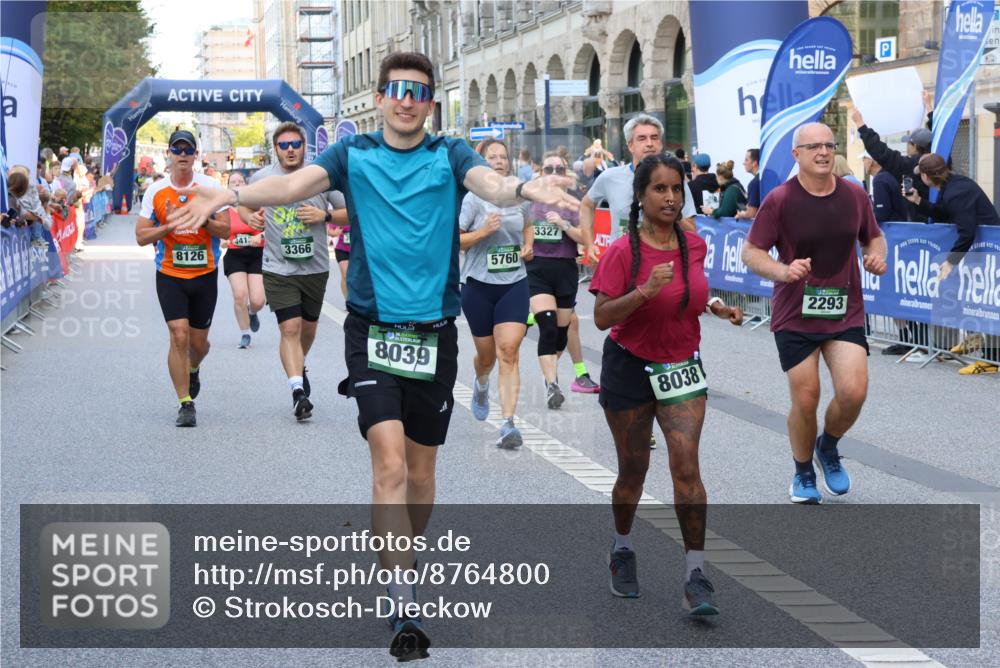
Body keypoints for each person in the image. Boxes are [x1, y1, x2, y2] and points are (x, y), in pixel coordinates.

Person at [167, 51, 577, 661]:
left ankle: (404, 558)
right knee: (386, 465)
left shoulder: (450, 153)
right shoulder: (352, 154)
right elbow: (291, 185)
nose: (407, 99)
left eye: (418, 90)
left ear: (430, 103)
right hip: (372, 332)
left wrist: (521, 186)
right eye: (396, 89)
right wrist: (230, 193)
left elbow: (490, 185)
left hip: (435, 332)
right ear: (381, 98)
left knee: (420, 474)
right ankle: (402, 595)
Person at [591, 154, 744, 614]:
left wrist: (715, 305)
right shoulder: (622, 252)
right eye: (660, 189)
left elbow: (694, 289)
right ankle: (621, 548)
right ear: (641, 196)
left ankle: (696, 574)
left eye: (677, 189)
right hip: (629, 367)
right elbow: (600, 317)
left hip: (680, 366)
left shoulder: (692, 244)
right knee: (633, 473)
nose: (671, 197)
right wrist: (643, 293)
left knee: (686, 468)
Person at [742, 123, 887, 504]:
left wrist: (876, 256)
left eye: (829, 145)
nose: (823, 152)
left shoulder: (855, 195)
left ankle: (828, 447)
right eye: (813, 147)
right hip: (795, 313)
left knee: (854, 392)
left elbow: (874, 236)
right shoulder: (780, 199)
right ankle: (803, 471)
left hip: (844, 310)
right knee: (806, 398)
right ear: (797, 155)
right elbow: (752, 252)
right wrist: (783, 271)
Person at [242, 122, 346, 422]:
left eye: (295, 144)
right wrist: (253, 220)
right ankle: (298, 391)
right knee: (290, 328)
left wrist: (324, 214)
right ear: (275, 150)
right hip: (278, 267)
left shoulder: (321, 176)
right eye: (283, 145)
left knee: (308, 330)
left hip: (314, 269)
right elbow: (243, 206)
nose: (290, 150)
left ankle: (299, 366)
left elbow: (351, 213)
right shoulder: (264, 178)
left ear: (304, 146)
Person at [135, 130, 230, 427]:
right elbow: (140, 236)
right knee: (179, 334)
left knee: (199, 345)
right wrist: (168, 226)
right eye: (178, 149)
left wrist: (202, 218)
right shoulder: (156, 191)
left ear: (196, 155)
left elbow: (226, 231)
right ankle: (185, 403)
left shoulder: (211, 187)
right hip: (170, 274)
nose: (183, 154)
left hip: (204, 273)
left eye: (188, 149)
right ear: (170, 154)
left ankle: (193, 369)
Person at [460, 138, 533, 447]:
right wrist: (483, 232)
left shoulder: (520, 194)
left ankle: (507, 424)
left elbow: (528, 224)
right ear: (482, 162)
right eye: (493, 157)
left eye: (503, 157)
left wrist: (528, 244)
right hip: (477, 285)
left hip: (514, 283)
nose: (500, 161)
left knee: (509, 351)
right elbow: (457, 241)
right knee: (487, 356)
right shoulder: (473, 199)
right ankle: (480, 381)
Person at [905, 152, 1000, 374]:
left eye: (922, 175)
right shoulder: (952, 186)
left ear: (928, 176)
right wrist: (918, 201)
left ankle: (991, 360)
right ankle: (975, 338)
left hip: (989, 251)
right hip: (979, 250)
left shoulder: (957, 191)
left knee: (989, 300)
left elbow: (966, 231)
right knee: (971, 294)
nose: (921, 179)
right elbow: (946, 214)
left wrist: (950, 262)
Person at [581, 114, 697, 266]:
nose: (649, 144)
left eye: (654, 138)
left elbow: (691, 230)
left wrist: (669, 209)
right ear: (630, 146)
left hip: (662, 263)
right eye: (642, 139)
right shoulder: (610, 177)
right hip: (621, 262)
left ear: (660, 144)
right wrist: (589, 244)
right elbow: (586, 205)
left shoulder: (675, 179)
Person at [525, 151, 587, 409]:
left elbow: (584, 238)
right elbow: (515, 230)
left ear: (565, 176)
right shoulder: (528, 202)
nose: (553, 174)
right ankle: (552, 383)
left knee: (561, 335)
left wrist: (563, 224)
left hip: (564, 269)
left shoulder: (574, 204)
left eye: (558, 170)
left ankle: (549, 371)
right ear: (541, 173)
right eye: (548, 169)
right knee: (547, 326)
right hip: (537, 268)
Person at [852, 94, 947, 221]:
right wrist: (929, 108)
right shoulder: (943, 159)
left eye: (909, 143)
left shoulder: (909, 165)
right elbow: (940, 137)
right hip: (944, 222)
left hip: (918, 227)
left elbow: (881, 152)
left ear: (915, 146)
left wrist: (860, 124)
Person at [221, 171, 265, 349]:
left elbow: (271, 227)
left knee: (257, 300)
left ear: (246, 185)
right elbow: (216, 230)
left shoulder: (255, 206)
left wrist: (260, 236)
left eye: (241, 181)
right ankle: (244, 333)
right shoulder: (223, 210)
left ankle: (252, 312)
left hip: (256, 254)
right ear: (228, 186)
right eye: (234, 182)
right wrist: (222, 240)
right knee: (240, 295)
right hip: (234, 255)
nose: (238, 183)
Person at [864, 153, 907, 224]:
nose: (863, 162)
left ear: (871, 161)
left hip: (892, 230)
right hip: (898, 227)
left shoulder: (880, 179)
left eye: (864, 159)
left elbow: (881, 215)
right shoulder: (886, 176)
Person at [735, 148, 760, 220]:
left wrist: (741, 214)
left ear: (754, 163)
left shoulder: (754, 183)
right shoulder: (771, 176)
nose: (743, 163)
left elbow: (752, 214)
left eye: (746, 160)